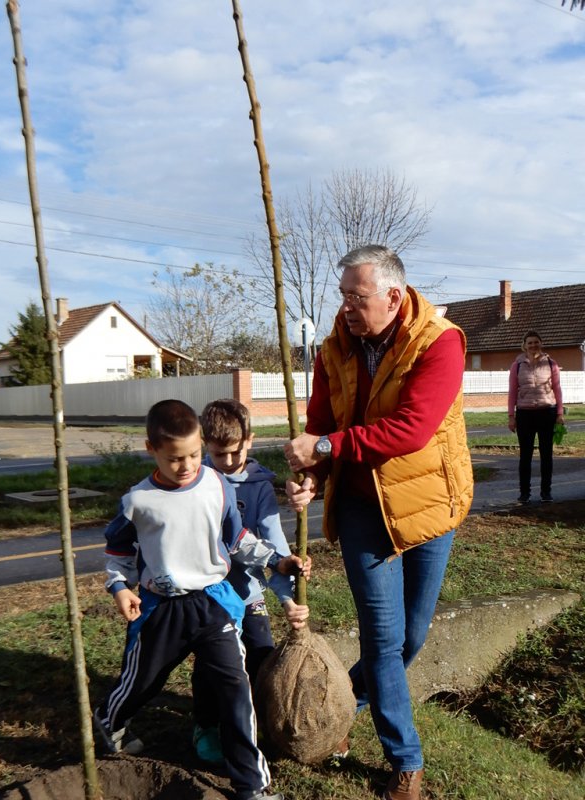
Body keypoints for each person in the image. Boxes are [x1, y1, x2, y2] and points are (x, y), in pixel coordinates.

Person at [283, 244, 473, 800]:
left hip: (430, 506)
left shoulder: (440, 341)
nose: (346, 307)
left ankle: (342, 702)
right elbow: (322, 419)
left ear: (394, 297)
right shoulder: (334, 348)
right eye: (342, 295)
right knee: (384, 637)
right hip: (364, 507)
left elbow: (410, 430)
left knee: (410, 637)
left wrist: (322, 444)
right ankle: (406, 760)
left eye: (356, 297)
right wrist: (311, 472)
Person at [93, 399, 309, 800]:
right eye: (175, 458)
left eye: (194, 454)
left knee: (235, 689)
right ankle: (109, 718)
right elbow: (117, 552)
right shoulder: (138, 501)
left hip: (214, 604)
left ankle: (252, 785)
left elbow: (238, 539)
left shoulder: (217, 485)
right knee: (143, 681)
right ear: (151, 449)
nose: (188, 465)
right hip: (162, 609)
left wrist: (277, 561)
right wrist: (120, 587)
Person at [191, 399, 309, 763]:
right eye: (217, 454)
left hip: (248, 594)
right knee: (210, 664)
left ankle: (255, 724)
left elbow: (276, 548)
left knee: (260, 656)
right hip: (208, 594)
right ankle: (207, 724)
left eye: (235, 452)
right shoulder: (198, 481)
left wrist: (289, 600)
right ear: (204, 447)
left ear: (250, 441)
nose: (227, 462)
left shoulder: (259, 487)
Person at [507, 330, 564, 504]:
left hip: (547, 412)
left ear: (541, 343)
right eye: (530, 343)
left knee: (547, 455)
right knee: (526, 456)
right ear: (524, 345)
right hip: (525, 414)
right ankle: (524, 493)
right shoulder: (517, 365)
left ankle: (546, 493)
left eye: (536, 342)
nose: (533, 345)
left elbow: (557, 389)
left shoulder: (551, 364)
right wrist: (511, 415)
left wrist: (560, 413)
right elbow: (512, 392)